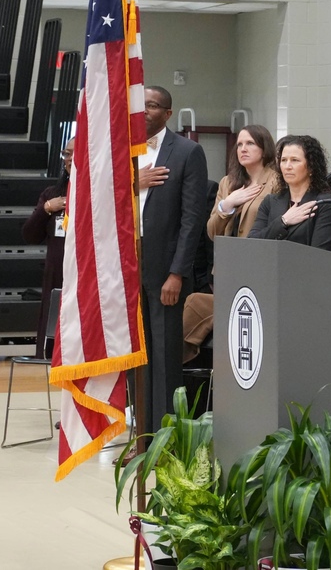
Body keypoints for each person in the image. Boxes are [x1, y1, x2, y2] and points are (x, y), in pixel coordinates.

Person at [137, 85, 210, 433]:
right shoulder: (120, 152)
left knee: (165, 358)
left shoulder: (187, 152)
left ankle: (165, 439)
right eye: (141, 104)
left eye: (153, 105)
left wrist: (177, 273)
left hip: (165, 272)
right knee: (135, 357)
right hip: (127, 270)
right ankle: (141, 435)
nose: (145, 110)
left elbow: (192, 219)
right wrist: (132, 182)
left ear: (167, 114)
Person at [22, 137, 74, 358]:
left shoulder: (98, 193)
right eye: (66, 153)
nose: (69, 158)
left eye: (74, 153)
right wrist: (45, 209)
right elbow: (30, 235)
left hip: (86, 273)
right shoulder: (52, 194)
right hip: (57, 274)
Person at [248, 135, 331, 250]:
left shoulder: (324, 203)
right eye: (284, 160)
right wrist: (283, 221)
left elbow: (319, 252)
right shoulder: (270, 202)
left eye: (295, 160)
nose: (287, 166)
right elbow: (252, 243)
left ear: (311, 166)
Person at [207, 125, 279, 240]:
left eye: (250, 143)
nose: (243, 149)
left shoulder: (276, 181)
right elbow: (212, 233)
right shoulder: (227, 182)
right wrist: (227, 204)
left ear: (264, 149)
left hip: (259, 249)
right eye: (239, 144)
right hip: (229, 250)